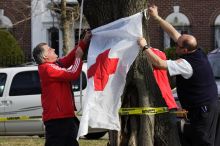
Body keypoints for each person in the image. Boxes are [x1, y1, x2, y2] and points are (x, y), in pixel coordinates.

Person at [138, 5, 219, 146]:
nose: (175, 46)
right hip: (207, 107)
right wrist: (157, 17)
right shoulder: (197, 51)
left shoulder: (186, 64)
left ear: (185, 50)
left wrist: (144, 46)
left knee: (204, 141)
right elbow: (174, 33)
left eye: (178, 46)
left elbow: (159, 63)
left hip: (203, 111)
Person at [33, 31, 92, 146]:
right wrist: (79, 58)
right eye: (50, 49)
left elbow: (69, 59)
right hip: (58, 120)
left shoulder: (54, 65)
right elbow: (73, 73)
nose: (53, 49)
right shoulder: (47, 68)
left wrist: (83, 42)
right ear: (45, 56)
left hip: (64, 117)